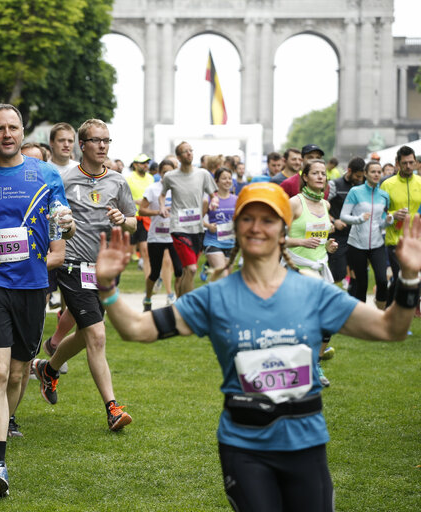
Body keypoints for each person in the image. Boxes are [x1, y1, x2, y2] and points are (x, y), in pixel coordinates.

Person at [93, 183, 421, 512]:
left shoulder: (314, 293)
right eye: (247, 218)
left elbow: (390, 328)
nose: (256, 227)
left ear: (283, 231)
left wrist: (408, 277)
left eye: (268, 219)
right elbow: (136, 329)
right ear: (236, 229)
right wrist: (106, 286)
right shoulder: (214, 298)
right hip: (244, 448)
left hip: (306, 445)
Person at [0, 104, 74, 497]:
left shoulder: (46, 173)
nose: (6, 134)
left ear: (22, 131)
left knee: (21, 372)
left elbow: (61, 220)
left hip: (32, 284)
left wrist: (67, 224)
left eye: (13, 127)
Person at [31, 118, 136, 431]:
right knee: (98, 334)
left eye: (106, 140)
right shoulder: (64, 179)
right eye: (96, 140)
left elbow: (134, 221)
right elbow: (50, 219)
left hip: (102, 269)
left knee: (87, 332)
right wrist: (58, 242)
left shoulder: (118, 181)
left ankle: (48, 369)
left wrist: (123, 219)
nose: (103, 146)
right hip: (73, 265)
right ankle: (112, 408)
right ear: (83, 145)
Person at [285, 159, 338, 386]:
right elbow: (274, 237)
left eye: (323, 174)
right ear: (304, 177)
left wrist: (328, 246)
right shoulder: (294, 203)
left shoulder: (326, 205)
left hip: (320, 268)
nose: (320, 177)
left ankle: (315, 361)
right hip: (297, 269)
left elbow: (321, 239)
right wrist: (300, 241)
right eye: (315, 173)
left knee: (329, 321)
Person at [158, 141, 219, 297]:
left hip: (197, 228)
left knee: (188, 270)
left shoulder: (203, 174)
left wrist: (214, 201)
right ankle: (189, 305)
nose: (189, 153)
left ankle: (181, 302)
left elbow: (214, 194)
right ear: (178, 156)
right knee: (191, 269)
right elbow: (162, 194)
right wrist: (162, 207)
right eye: (185, 151)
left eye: (191, 150)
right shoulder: (171, 176)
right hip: (179, 228)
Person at [340, 160, 392, 308]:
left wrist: (388, 220)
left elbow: (381, 222)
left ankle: (381, 310)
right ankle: (361, 318)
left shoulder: (384, 195)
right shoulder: (355, 192)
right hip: (356, 244)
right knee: (361, 284)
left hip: (377, 244)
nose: (376, 174)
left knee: (382, 280)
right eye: (373, 172)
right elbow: (344, 216)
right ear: (366, 173)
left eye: (378, 172)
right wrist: (358, 219)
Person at [380, 145, 421, 307]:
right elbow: (379, 214)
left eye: (411, 162)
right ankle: (392, 312)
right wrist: (392, 215)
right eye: (404, 163)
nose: (408, 166)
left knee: (413, 280)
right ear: (397, 163)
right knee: (400, 279)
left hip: (417, 240)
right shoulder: (387, 185)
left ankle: (404, 314)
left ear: (416, 163)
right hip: (395, 240)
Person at [140, 158, 181, 309]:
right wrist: (158, 212)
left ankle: (179, 302)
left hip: (174, 236)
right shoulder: (152, 189)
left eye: (171, 172)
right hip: (156, 236)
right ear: (159, 173)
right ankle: (148, 298)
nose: (168, 175)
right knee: (154, 273)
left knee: (179, 271)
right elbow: (142, 210)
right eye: (165, 172)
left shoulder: (178, 188)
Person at [326, 157, 365, 285]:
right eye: (357, 176)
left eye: (361, 177)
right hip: (337, 236)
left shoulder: (361, 186)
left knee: (357, 274)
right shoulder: (334, 185)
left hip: (356, 236)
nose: (360, 179)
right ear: (349, 171)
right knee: (338, 274)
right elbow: (321, 207)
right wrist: (334, 221)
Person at [202, 168, 237, 280]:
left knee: (225, 280)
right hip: (213, 242)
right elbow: (197, 219)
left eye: (229, 178)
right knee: (223, 275)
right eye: (224, 178)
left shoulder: (237, 200)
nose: (227, 181)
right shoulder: (208, 200)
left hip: (231, 244)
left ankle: (213, 295)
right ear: (216, 181)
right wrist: (208, 226)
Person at [127, 153, 154, 276]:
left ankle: (149, 276)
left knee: (145, 248)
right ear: (135, 165)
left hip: (145, 217)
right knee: (129, 247)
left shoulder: (150, 178)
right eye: (143, 163)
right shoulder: (128, 178)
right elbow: (122, 198)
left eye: (147, 163)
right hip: (131, 216)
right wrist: (134, 201)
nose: (146, 165)